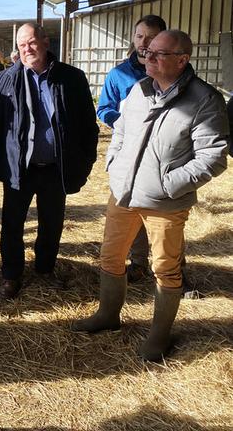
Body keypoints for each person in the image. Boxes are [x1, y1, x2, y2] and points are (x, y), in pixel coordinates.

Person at [72, 30, 229, 362]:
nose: (149, 59)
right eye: (147, 53)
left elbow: (212, 158)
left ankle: (158, 338)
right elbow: (121, 133)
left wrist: (169, 185)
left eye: (158, 54)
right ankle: (108, 315)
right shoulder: (139, 91)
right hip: (124, 193)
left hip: (165, 203)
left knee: (165, 268)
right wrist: (115, 166)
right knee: (110, 257)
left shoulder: (204, 100)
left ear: (182, 60)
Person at [0, 22, 98, 300]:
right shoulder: (4, 79)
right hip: (19, 168)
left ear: (46, 42)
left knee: (52, 222)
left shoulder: (71, 78)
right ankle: (11, 275)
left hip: (55, 168)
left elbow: (87, 125)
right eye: (22, 45)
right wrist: (1, 164)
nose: (27, 49)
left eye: (32, 42)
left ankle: (45, 269)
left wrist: (84, 162)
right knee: (12, 224)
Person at [96, 15, 167, 284]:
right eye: (140, 36)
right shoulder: (118, 75)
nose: (144, 42)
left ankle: (170, 268)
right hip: (129, 152)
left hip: (162, 153)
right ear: (133, 38)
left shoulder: (173, 70)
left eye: (151, 36)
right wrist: (124, 123)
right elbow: (104, 108)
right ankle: (137, 262)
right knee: (129, 205)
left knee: (163, 212)